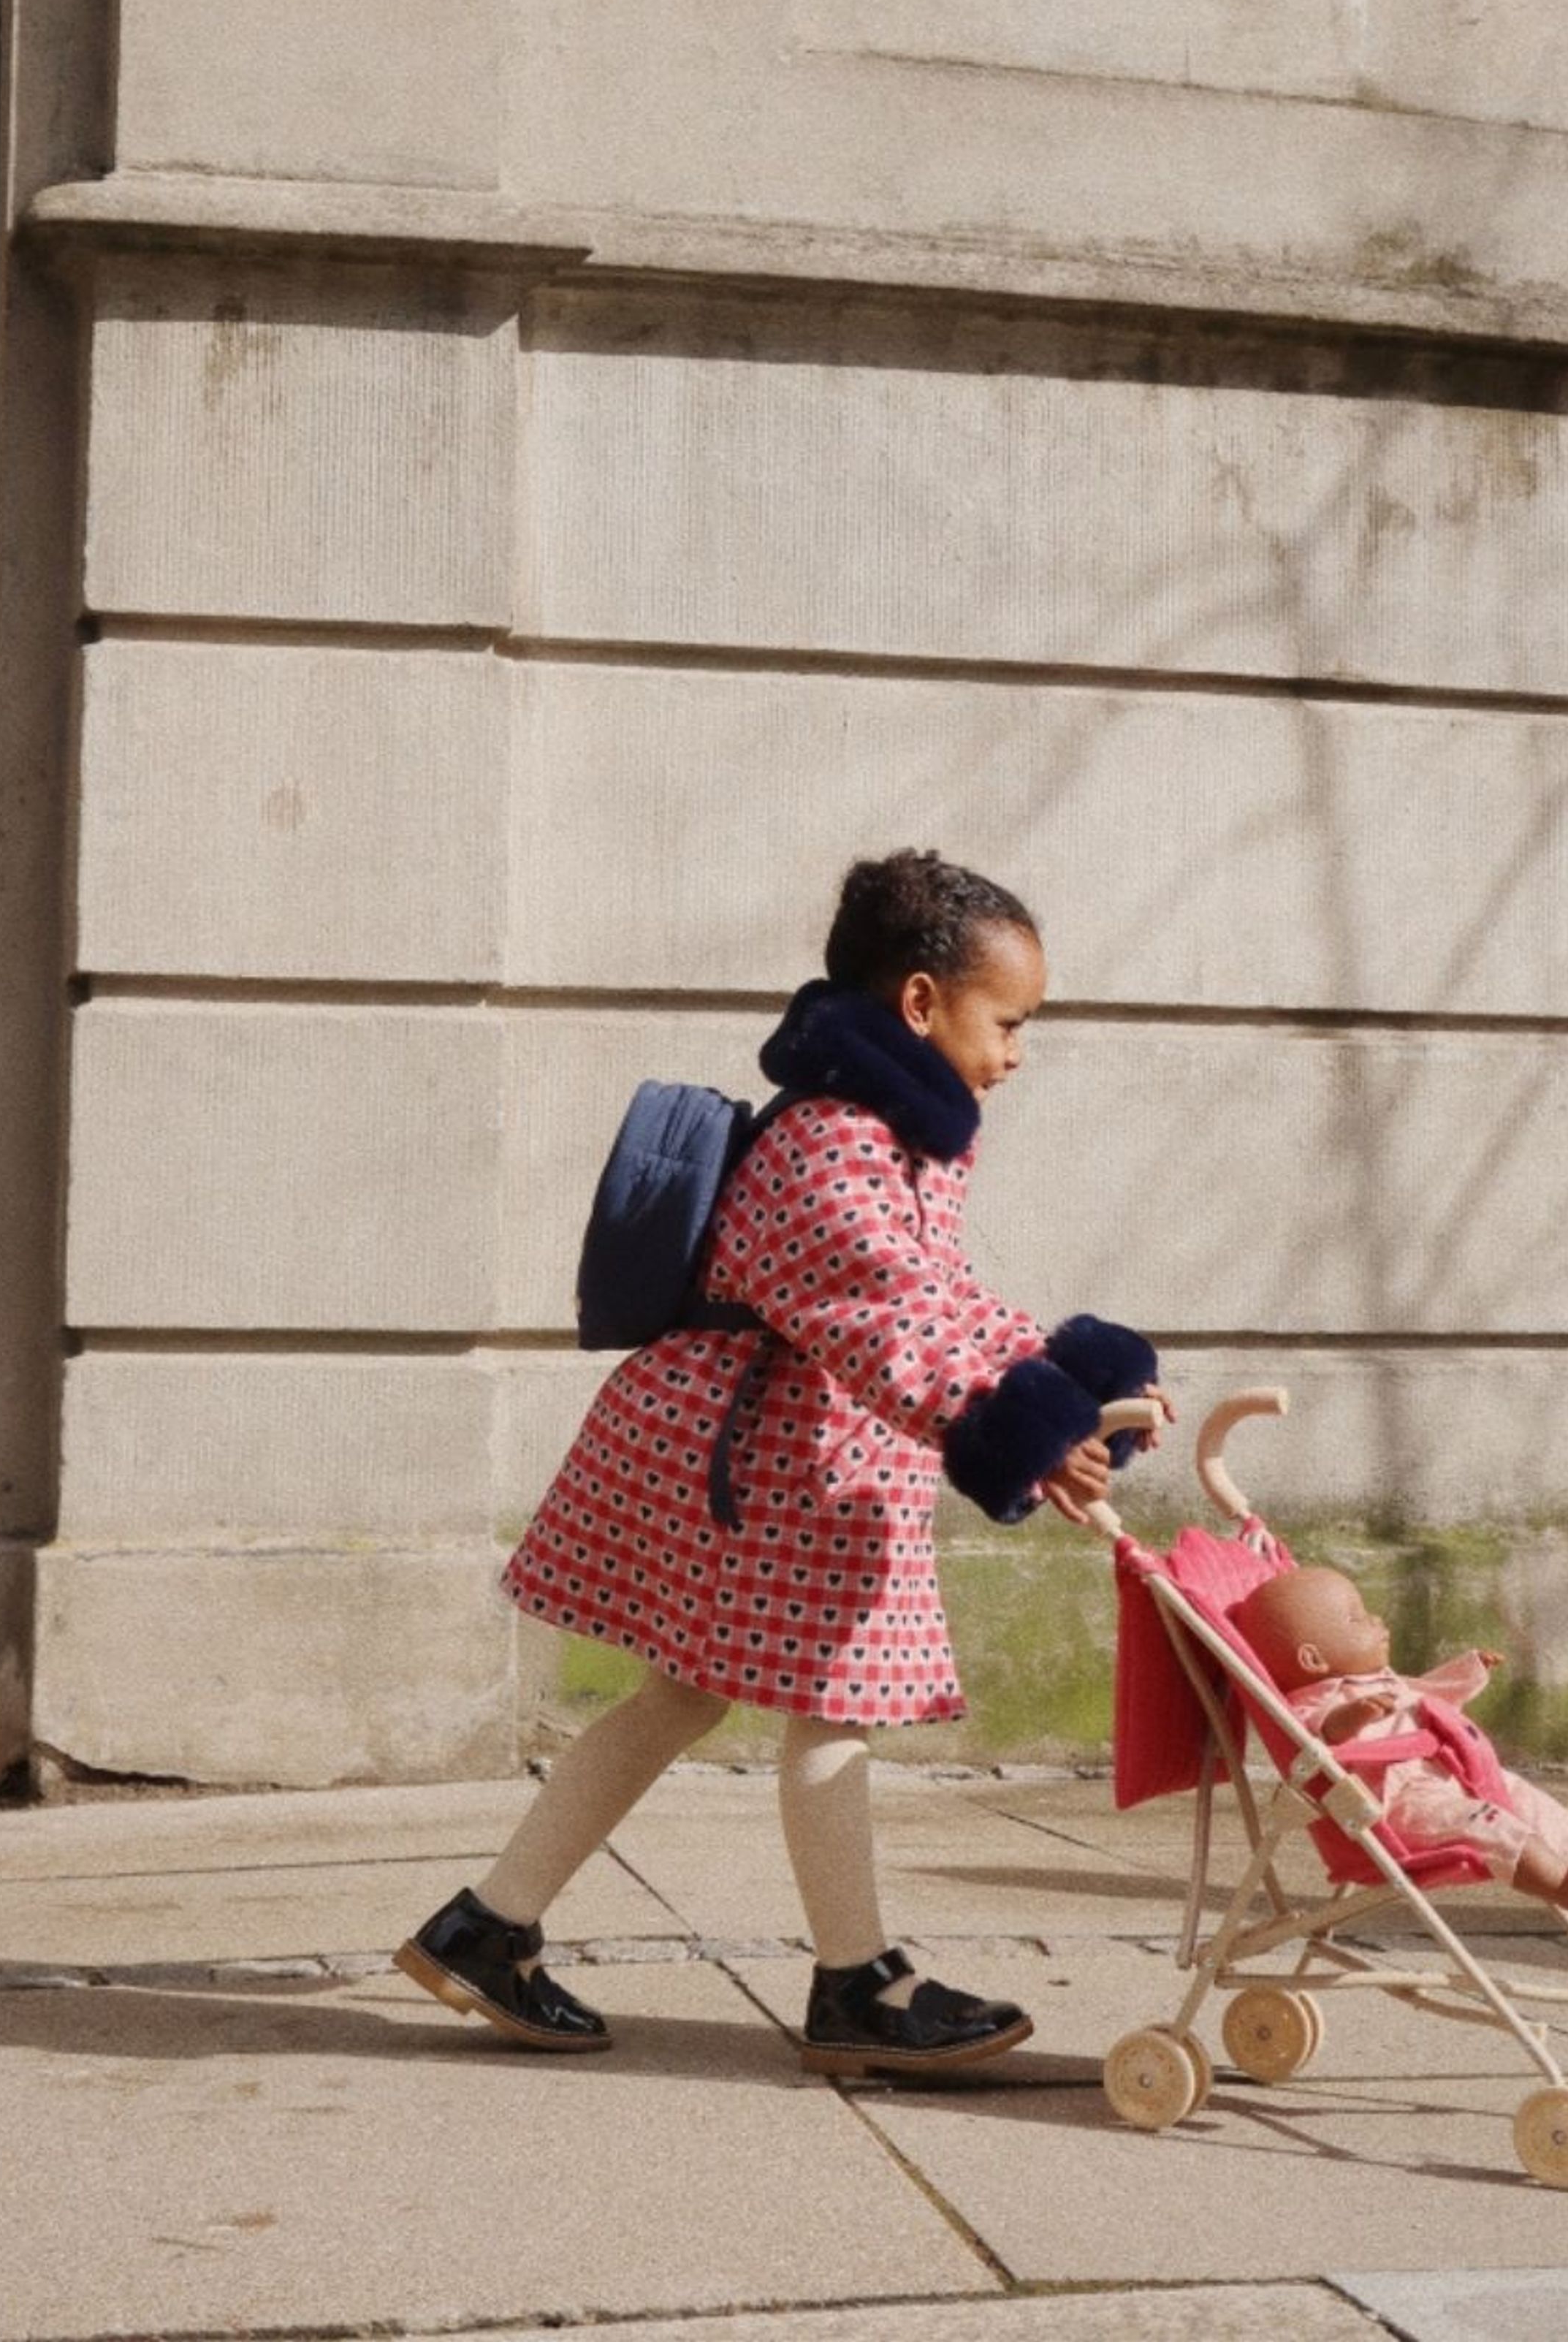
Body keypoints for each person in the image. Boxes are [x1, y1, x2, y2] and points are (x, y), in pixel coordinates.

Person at [397, 848, 1168, 2075]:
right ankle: (854, 1980)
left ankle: (489, 1925)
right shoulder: (830, 1145)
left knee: (687, 1693)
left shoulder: (895, 1139)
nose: (1019, 1051)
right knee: (829, 1698)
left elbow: (938, 1298)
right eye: (1008, 1021)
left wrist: (1067, 1379)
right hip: (753, 1461)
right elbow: (883, 1315)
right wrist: (1023, 1418)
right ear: (921, 1002)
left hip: (792, 1456)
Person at [1232, 1564, 1568, 1927]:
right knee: (1486, 1822)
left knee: (1534, 1804)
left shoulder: (1381, 1681)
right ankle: (1562, 1887)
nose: (1377, 1619)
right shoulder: (1318, 1698)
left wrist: (1468, 1671)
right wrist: (1352, 1717)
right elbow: (1315, 1736)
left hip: (1454, 1776)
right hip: (1404, 1804)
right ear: (1312, 1660)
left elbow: (1427, 1697)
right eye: (1357, 1619)